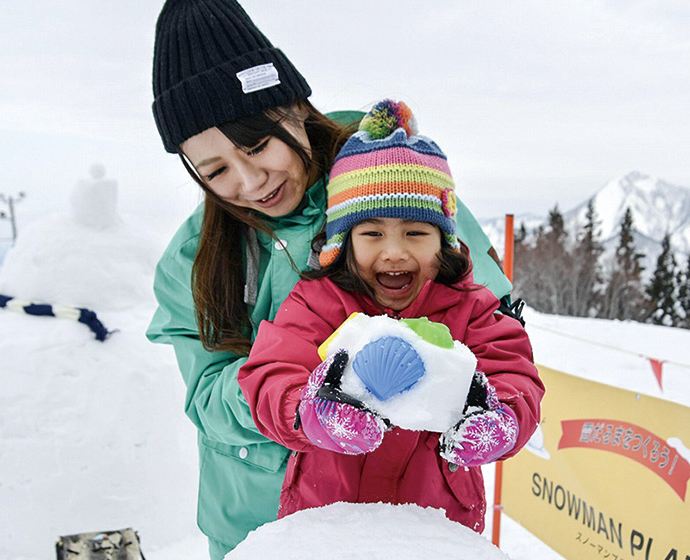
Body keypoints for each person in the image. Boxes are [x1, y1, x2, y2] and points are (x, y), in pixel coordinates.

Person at [145, 1, 515, 557]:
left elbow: (484, 323)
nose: (249, 182)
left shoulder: (389, 182)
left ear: (293, 107)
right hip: (257, 522)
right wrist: (299, 402)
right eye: (215, 170)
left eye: (257, 146)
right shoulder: (193, 258)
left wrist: (491, 407)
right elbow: (206, 394)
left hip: (408, 517)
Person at [238, 100, 544, 533]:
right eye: (373, 232)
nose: (394, 251)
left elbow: (514, 372)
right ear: (343, 240)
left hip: (435, 524)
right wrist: (308, 414)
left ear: (445, 240)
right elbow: (269, 372)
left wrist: (503, 421)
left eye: (416, 232)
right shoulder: (316, 302)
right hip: (326, 519)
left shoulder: (470, 308)